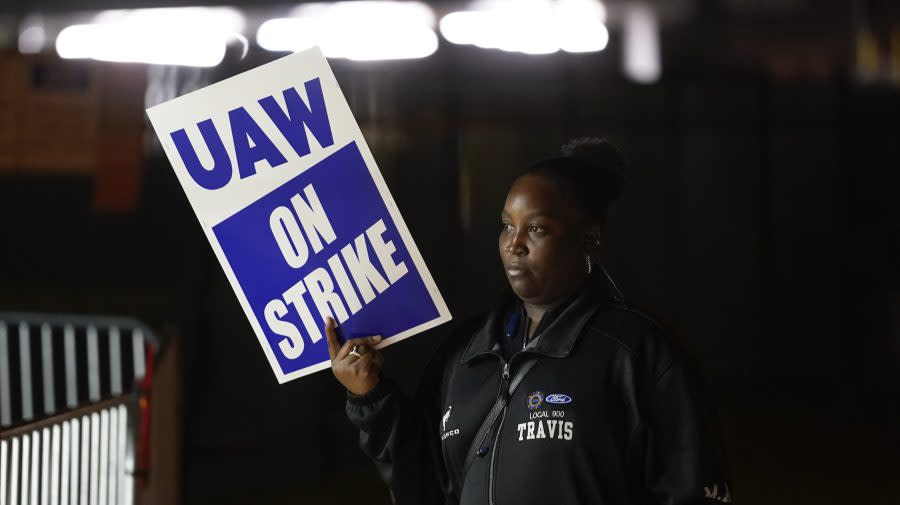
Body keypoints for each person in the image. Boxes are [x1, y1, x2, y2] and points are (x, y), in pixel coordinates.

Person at [325, 137, 733, 505]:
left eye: (536, 228)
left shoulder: (640, 353)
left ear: (589, 237)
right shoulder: (465, 353)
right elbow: (424, 486)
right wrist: (370, 397)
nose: (514, 243)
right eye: (507, 225)